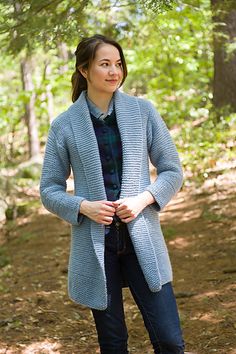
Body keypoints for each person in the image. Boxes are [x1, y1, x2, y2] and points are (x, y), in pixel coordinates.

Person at [40, 34, 185, 354]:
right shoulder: (64, 125)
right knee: (114, 344)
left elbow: (173, 171)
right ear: (84, 70)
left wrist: (143, 199)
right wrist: (83, 206)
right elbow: (48, 189)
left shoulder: (143, 111)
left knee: (170, 341)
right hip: (96, 247)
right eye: (104, 64)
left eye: (118, 64)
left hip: (142, 239)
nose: (114, 71)